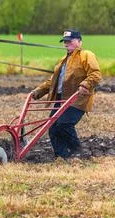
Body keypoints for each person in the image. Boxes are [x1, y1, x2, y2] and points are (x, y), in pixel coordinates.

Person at [31, 29, 102, 159]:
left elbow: (95, 74)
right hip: (60, 99)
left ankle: (78, 151)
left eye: (69, 41)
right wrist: (38, 91)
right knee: (52, 128)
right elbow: (53, 81)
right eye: (64, 41)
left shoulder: (86, 55)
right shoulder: (63, 60)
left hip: (77, 99)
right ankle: (63, 157)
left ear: (79, 42)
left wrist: (85, 85)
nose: (66, 44)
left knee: (64, 124)